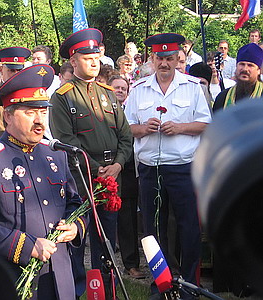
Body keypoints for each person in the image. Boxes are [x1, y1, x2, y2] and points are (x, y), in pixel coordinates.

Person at [0, 64, 86, 299]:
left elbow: (74, 202)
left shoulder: (55, 154)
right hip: (15, 276)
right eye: (30, 112)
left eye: (43, 112)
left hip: (60, 272)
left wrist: (76, 227)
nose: (39, 121)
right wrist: (27, 247)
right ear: (7, 115)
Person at [124, 33, 211, 299]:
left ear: (177, 59)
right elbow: (126, 129)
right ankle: (160, 284)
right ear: (152, 59)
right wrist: (142, 128)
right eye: (159, 58)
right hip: (151, 170)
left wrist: (181, 127)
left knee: (188, 228)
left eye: (169, 58)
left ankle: (187, 284)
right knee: (153, 231)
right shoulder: (138, 89)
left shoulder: (192, 86)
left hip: (183, 167)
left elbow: (206, 124)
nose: (164, 64)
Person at [49, 28, 133, 298]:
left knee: (106, 239)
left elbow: (126, 136)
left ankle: (105, 291)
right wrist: (98, 169)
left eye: (96, 56)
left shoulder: (109, 93)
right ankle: (75, 291)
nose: (94, 62)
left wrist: (118, 165)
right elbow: (66, 140)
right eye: (87, 58)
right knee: (77, 239)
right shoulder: (62, 97)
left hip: (112, 177)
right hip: (81, 179)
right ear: (73, 61)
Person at [107, 75, 145, 279]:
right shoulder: (101, 112)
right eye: (116, 87)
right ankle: (109, 263)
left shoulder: (133, 111)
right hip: (106, 169)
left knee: (129, 218)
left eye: (123, 88)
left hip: (130, 169)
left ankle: (132, 263)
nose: (120, 91)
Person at [0, 47, 31, 142]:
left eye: (19, 71)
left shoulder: (29, 95)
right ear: (1, 70)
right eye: (12, 70)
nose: (16, 75)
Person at [213, 43, 263, 112]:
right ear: (236, 67)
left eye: (250, 65)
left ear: (259, 70)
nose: (245, 69)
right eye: (242, 64)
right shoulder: (223, 98)